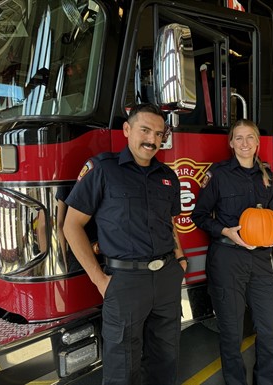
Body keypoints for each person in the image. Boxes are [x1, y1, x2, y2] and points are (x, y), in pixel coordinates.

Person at [63, 103, 187, 385]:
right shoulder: (102, 169)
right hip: (125, 281)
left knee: (166, 360)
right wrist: (99, 280)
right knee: (122, 367)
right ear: (127, 130)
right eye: (145, 130)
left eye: (159, 134)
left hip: (167, 277)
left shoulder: (168, 177)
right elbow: (71, 226)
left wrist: (180, 260)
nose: (152, 140)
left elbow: (169, 223)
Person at [192, 119, 273, 385]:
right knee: (231, 332)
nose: (244, 143)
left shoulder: (266, 174)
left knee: (269, 327)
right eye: (238, 138)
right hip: (227, 259)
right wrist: (226, 231)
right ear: (231, 143)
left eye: (249, 138)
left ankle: (265, 381)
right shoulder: (217, 174)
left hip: (261, 259)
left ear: (257, 142)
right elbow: (200, 215)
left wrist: (271, 233)